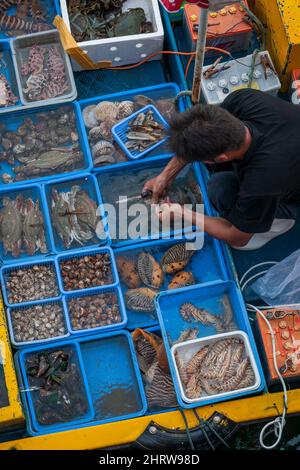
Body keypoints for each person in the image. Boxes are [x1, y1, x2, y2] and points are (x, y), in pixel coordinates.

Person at [143, 89, 300, 250]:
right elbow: (195, 138)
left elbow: (237, 238)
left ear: (222, 157)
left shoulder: (261, 183)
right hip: (288, 146)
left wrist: (181, 212)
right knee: (221, 183)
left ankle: (277, 224)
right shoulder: (243, 99)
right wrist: (166, 176)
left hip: (286, 185)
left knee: (220, 189)